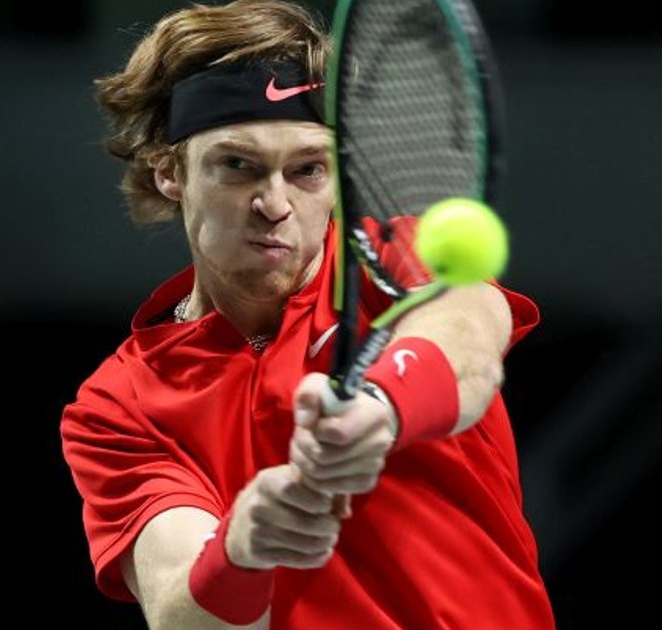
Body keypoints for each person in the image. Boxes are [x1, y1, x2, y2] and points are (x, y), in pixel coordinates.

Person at [59, 1, 554, 627]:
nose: (275, 203)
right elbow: (183, 616)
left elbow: (469, 345)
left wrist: (380, 410)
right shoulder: (118, 404)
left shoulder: (395, 260)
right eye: (238, 165)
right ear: (168, 173)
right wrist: (244, 549)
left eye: (308, 170)